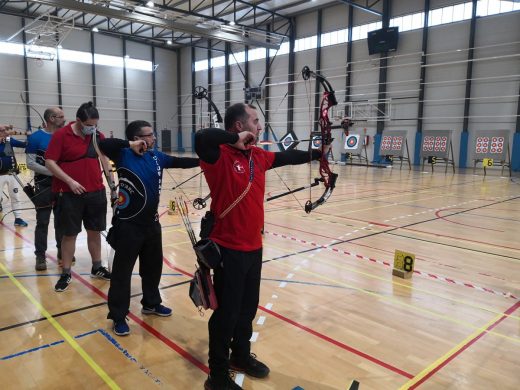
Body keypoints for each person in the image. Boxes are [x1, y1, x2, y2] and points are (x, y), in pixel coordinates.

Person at [195, 103, 330, 390]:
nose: (260, 126)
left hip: (253, 247)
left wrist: (318, 154)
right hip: (227, 249)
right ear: (238, 126)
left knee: (247, 309)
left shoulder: (258, 156)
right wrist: (233, 141)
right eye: (255, 121)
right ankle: (217, 376)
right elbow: (202, 137)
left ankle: (240, 357)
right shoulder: (217, 155)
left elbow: (287, 156)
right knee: (226, 314)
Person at [98, 120, 199, 336]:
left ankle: (151, 303)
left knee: (153, 269)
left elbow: (179, 162)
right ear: (138, 138)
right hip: (128, 226)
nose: (154, 138)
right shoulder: (123, 155)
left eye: (153, 134)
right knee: (122, 274)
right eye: (149, 135)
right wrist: (129, 144)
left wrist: (204, 161)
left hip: (151, 224)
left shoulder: (156, 157)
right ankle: (118, 315)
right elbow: (103, 145)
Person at [45, 102, 112, 292]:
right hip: (68, 194)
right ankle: (66, 272)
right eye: (89, 124)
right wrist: (70, 181)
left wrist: (112, 185)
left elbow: (104, 159)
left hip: (96, 192)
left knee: (95, 231)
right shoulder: (61, 135)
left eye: (95, 124)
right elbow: (50, 161)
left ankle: (97, 267)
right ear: (79, 121)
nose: (93, 127)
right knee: (69, 234)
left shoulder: (97, 136)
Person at [25, 108, 66, 271]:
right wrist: (54, 172)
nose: (64, 119)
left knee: (61, 221)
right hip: (43, 185)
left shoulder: (64, 136)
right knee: (42, 222)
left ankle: (62, 252)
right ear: (51, 118)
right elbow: (30, 163)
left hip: (62, 185)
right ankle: (40, 256)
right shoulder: (36, 138)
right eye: (61, 116)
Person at [0, 125, 29, 227]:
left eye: (6, 130)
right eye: (3, 131)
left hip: (12, 174)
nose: (6, 132)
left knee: (15, 196)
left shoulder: (8, 140)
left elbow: (25, 145)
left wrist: (29, 136)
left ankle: (18, 218)